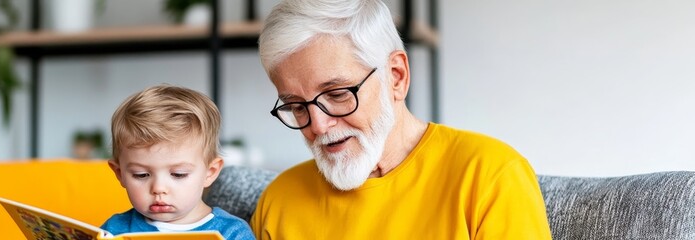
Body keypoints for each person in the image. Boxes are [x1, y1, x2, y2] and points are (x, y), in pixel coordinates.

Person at [250, 0, 552, 239]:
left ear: (396, 76)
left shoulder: (490, 176)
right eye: (297, 107)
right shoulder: (280, 201)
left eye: (338, 94)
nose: (317, 125)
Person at [102, 85, 254, 239]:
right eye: (141, 175)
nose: (158, 189)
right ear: (119, 173)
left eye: (178, 174)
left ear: (210, 172)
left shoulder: (233, 233)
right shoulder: (113, 230)